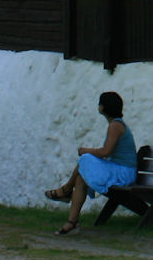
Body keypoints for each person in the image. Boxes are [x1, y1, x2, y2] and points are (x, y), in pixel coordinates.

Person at [44, 90, 136, 235]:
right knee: (81, 178)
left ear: (104, 107)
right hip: (117, 169)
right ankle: (71, 222)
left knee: (85, 159)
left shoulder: (115, 126)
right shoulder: (115, 124)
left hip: (124, 173)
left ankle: (66, 190)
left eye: (100, 103)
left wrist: (86, 150)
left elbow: (106, 152)